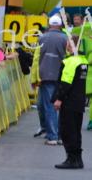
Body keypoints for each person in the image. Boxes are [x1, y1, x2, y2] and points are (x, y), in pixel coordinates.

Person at [53, 41, 88, 169]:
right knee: (76, 131)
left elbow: (65, 82)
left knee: (67, 131)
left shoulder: (70, 61)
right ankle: (78, 159)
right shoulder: (83, 60)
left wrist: (59, 99)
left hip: (69, 101)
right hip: (79, 101)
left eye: (68, 44)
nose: (66, 46)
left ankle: (71, 159)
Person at [39, 15, 67, 145]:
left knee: (50, 106)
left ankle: (52, 136)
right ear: (60, 25)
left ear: (49, 25)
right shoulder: (65, 38)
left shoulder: (42, 38)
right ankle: (61, 136)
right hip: (62, 75)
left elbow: (37, 58)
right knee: (61, 106)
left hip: (46, 74)